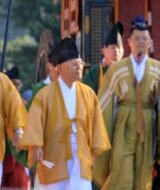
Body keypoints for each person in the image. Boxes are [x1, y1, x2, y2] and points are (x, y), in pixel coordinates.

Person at [93, 16, 160, 189]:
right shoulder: (117, 69)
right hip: (123, 125)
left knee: (143, 178)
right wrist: (99, 135)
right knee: (121, 173)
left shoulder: (159, 69)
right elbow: (104, 102)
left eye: (144, 38)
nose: (140, 42)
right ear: (129, 42)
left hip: (148, 125)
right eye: (137, 38)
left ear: (149, 42)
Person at [20, 37, 109, 189]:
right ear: (59, 68)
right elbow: (35, 124)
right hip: (53, 157)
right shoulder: (44, 95)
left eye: (80, 63)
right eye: (73, 64)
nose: (79, 67)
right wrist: (36, 146)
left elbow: (97, 128)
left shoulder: (89, 94)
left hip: (80, 157)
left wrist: (93, 151)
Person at [82, 22, 122, 93]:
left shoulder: (125, 70)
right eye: (113, 47)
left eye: (119, 47)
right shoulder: (95, 72)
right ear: (103, 50)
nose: (116, 51)